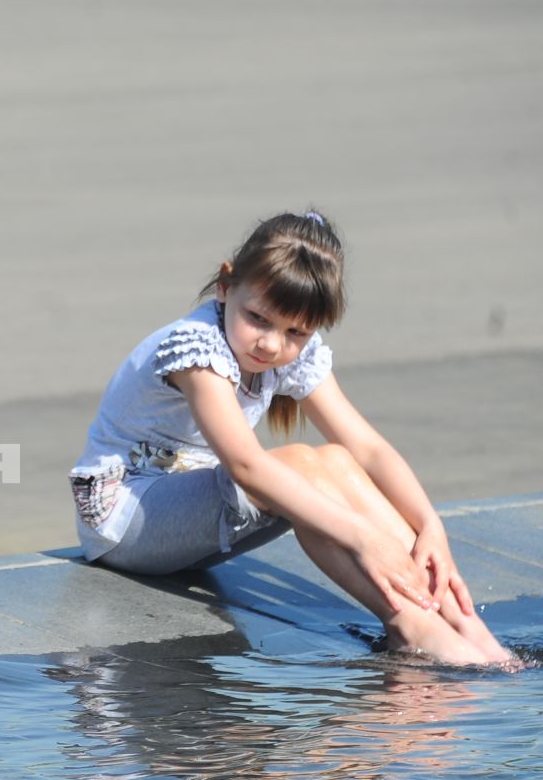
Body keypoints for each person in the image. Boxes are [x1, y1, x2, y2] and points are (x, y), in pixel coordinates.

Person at [68, 210, 511, 665]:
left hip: (190, 511)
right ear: (225, 286)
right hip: (123, 517)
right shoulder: (196, 348)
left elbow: (367, 447)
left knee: (336, 460)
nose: (272, 345)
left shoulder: (290, 351)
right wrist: (363, 538)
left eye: (295, 331)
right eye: (258, 318)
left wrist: (430, 525)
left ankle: (459, 620)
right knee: (297, 464)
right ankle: (410, 625)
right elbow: (246, 467)